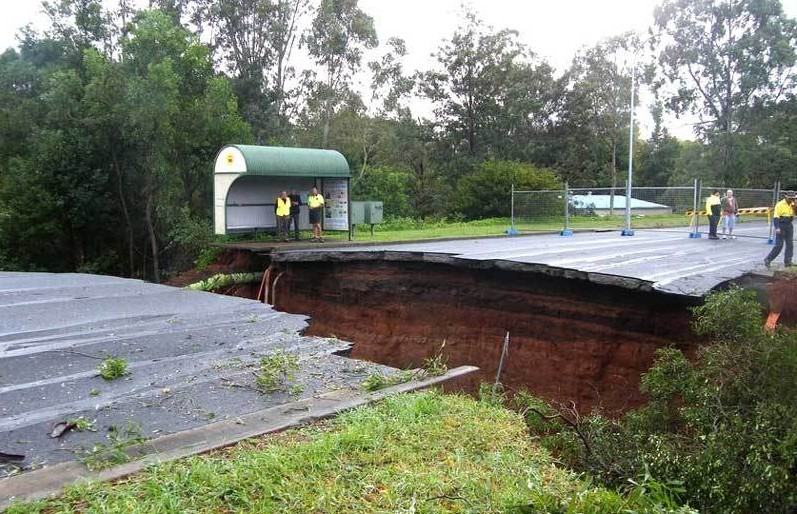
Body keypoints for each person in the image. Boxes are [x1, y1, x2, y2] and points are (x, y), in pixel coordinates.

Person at [764, 194, 795, 269]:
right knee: (779, 245)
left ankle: (788, 262)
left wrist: (795, 205)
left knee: (790, 244)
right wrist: (777, 227)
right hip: (781, 224)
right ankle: (768, 259)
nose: (791, 199)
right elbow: (776, 217)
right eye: (790, 198)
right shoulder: (780, 204)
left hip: (789, 224)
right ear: (786, 197)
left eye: (792, 198)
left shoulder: (793, 204)